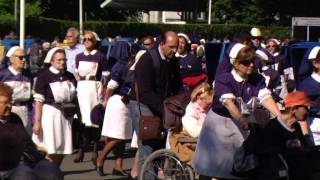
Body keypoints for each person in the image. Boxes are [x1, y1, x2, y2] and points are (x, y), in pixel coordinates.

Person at [193, 43, 281, 179]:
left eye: (252, 61)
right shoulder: (224, 79)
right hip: (221, 124)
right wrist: (241, 119)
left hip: (244, 121)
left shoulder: (257, 79)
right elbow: (228, 103)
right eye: (246, 62)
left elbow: (265, 98)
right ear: (235, 63)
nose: (251, 64)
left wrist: (280, 117)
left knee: (245, 164)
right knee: (221, 165)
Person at [128, 31, 182, 179]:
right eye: (171, 47)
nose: (175, 50)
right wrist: (164, 108)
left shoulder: (173, 61)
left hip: (160, 105)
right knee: (147, 149)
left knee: (159, 148)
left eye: (176, 47)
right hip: (142, 103)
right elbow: (145, 91)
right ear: (162, 44)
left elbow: (177, 86)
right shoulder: (147, 59)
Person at [0, 82, 63, 180]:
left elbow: (26, 142)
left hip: (21, 163)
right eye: (5, 102)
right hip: (6, 168)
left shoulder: (14, 118)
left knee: (52, 171)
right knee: (25, 176)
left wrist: (39, 153)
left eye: (10, 102)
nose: (9, 106)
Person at [255, 91, 319, 180]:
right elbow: (269, 158)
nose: (308, 112)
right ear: (293, 109)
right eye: (306, 107)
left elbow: (305, 149)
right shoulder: (273, 127)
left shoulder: (296, 126)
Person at [32, 48, 77, 166]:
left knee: (62, 150)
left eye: (64, 60)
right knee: (50, 149)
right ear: (51, 61)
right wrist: (37, 122)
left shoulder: (70, 76)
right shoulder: (44, 76)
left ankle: (55, 172)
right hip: (50, 115)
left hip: (66, 116)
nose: (62, 62)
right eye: (59, 60)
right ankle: (47, 173)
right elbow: (38, 101)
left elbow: (74, 98)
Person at [96, 41, 132, 176]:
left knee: (121, 136)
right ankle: (101, 158)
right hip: (118, 102)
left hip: (123, 102)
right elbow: (112, 85)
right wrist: (106, 100)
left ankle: (118, 166)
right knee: (118, 136)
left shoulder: (122, 64)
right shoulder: (121, 66)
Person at [73, 31, 109, 165]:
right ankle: (81, 149)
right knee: (82, 119)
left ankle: (95, 148)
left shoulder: (100, 56)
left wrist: (101, 89)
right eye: (84, 39)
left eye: (89, 39)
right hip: (82, 87)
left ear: (94, 41)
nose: (86, 41)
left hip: (94, 87)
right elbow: (77, 73)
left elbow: (106, 75)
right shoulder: (78, 56)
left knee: (95, 118)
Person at [169, 82, 213, 165]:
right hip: (187, 138)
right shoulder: (191, 110)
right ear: (199, 98)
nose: (209, 105)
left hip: (201, 138)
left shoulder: (205, 110)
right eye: (207, 103)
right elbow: (194, 132)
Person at [0, 46, 32, 134]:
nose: (24, 60)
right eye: (21, 57)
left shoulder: (28, 75)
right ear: (11, 59)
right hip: (8, 110)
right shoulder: (2, 74)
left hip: (24, 111)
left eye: (25, 57)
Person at [298, 46, 320, 145]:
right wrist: (305, 135)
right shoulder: (306, 85)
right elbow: (301, 114)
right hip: (315, 128)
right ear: (315, 63)